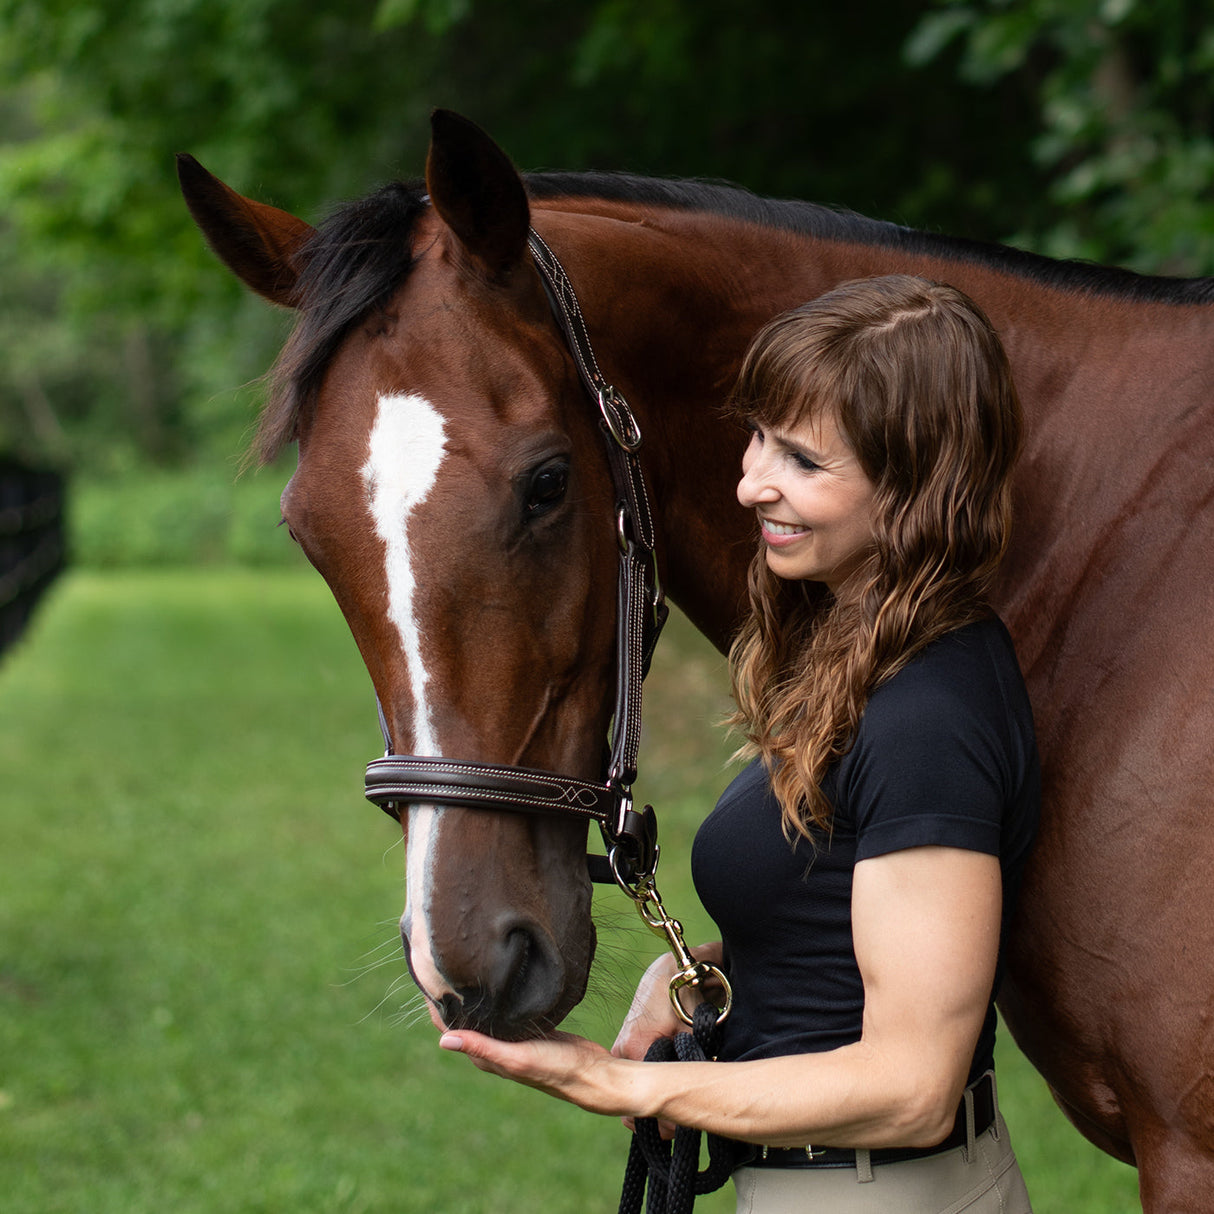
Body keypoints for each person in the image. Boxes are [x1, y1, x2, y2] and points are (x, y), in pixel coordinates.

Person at [439, 274, 1040, 1213]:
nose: (750, 481)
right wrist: (707, 971)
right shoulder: (866, 658)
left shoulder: (930, 712)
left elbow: (913, 1087)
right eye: (759, 436)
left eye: (803, 459)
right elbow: (841, 924)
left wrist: (632, 1086)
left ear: (918, 486)